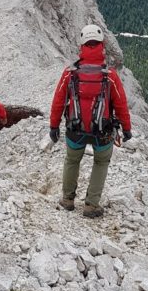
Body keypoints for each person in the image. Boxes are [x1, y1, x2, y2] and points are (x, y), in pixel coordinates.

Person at [49, 24, 132, 218]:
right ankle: (91, 205)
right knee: (101, 163)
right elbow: (120, 104)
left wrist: (53, 126)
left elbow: (58, 101)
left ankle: (68, 199)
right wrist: (127, 129)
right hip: (102, 133)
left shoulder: (70, 73)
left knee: (72, 160)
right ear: (102, 45)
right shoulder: (110, 76)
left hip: (75, 129)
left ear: (82, 45)